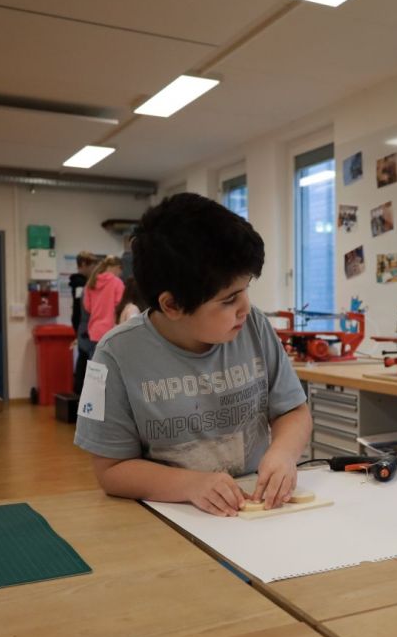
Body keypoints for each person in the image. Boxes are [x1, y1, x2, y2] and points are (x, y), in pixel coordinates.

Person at [74, 193, 312, 516]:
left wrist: (283, 453)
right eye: (228, 300)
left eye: (246, 289)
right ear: (172, 305)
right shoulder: (115, 355)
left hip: (255, 512)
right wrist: (190, 485)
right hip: (172, 517)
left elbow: (293, 410)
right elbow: (111, 470)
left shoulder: (254, 326)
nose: (245, 307)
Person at [71, 252, 97, 394]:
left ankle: (79, 392)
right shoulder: (80, 284)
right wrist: (79, 329)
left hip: (82, 326)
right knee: (84, 359)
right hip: (83, 326)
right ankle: (79, 392)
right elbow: (78, 310)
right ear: (83, 265)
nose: (94, 269)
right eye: (92, 265)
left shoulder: (84, 284)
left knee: (83, 358)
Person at [83, 255, 125, 345]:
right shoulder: (117, 283)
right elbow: (120, 306)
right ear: (118, 267)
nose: (120, 274)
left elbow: (87, 307)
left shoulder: (91, 283)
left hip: (94, 331)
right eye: (121, 271)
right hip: (111, 332)